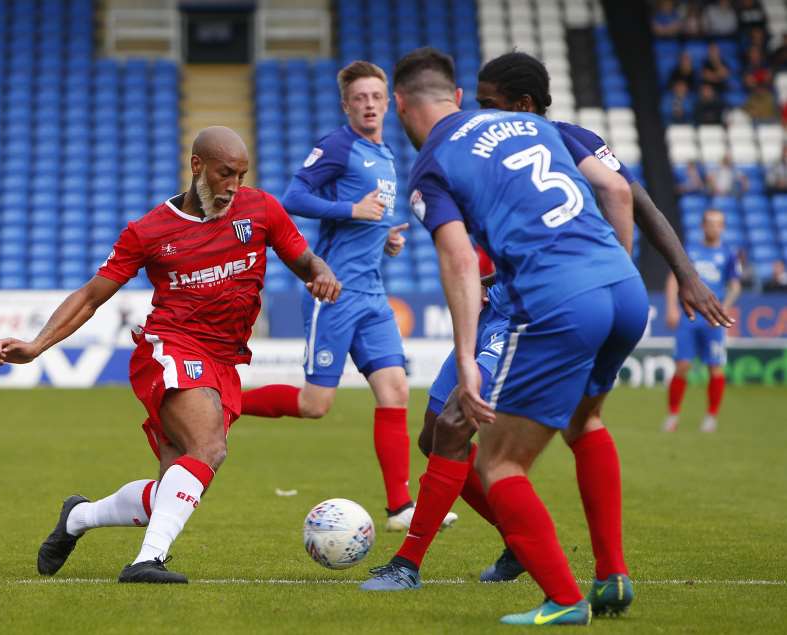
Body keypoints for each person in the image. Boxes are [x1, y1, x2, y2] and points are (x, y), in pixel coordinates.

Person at [362, 50, 732, 607]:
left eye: (489, 103)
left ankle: (414, 563)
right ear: (455, 98)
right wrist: (617, 267)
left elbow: (459, 256)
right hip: (602, 289)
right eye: (476, 102)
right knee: (548, 425)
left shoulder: (464, 149)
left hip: (537, 304)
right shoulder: (539, 131)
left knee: (474, 439)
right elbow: (619, 192)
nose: (482, 113)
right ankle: (589, 566)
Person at [0, 127, 342, 584]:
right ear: (197, 167)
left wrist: (321, 272)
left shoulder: (261, 210)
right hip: (171, 348)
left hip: (225, 359)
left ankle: (78, 518)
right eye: (224, 174)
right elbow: (92, 295)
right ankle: (145, 562)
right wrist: (37, 344)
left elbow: (304, 260)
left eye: (241, 174)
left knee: (174, 488)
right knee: (209, 447)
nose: (233, 185)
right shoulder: (150, 230)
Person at [236, 61, 456, 531]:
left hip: (374, 294)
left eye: (377, 96)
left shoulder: (388, 155)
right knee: (315, 405)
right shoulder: (338, 145)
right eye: (360, 98)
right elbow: (292, 198)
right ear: (347, 105)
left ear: (387, 102)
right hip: (332, 291)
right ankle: (227, 402)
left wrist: (386, 238)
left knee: (395, 390)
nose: (370, 104)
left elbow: (368, 222)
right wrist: (349, 208)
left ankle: (400, 507)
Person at [664, 209, 741, 433]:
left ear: (723, 227)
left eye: (718, 224)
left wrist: (723, 309)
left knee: (715, 367)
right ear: (703, 225)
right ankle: (673, 415)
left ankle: (711, 417)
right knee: (682, 366)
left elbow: (735, 285)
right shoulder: (690, 250)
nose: (713, 227)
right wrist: (670, 307)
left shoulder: (728, 255)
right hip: (689, 315)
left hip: (712, 320)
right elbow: (673, 279)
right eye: (709, 223)